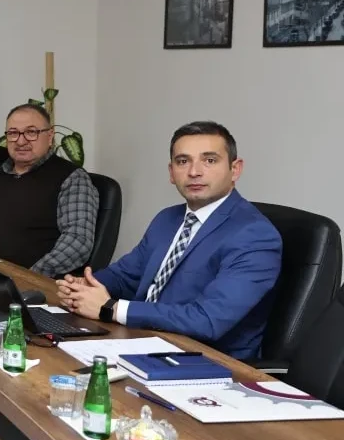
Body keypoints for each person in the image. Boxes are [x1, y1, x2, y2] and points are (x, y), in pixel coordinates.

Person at [57, 121, 281, 359]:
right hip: (141, 340)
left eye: (209, 160)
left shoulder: (255, 235)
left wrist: (111, 308)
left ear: (235, 169)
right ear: (171, 172)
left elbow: (208, 320)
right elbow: (126, 275)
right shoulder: (167, 218)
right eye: (183, 161)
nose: (194, 171)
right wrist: (83, 287)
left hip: (205, 361)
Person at [0, 103, 98, 278]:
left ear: (50, 136)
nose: (21, 141)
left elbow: (78, 242)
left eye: (31, 132)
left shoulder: (72, 178)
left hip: (22, 283)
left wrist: (30, 277)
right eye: (13, 133)